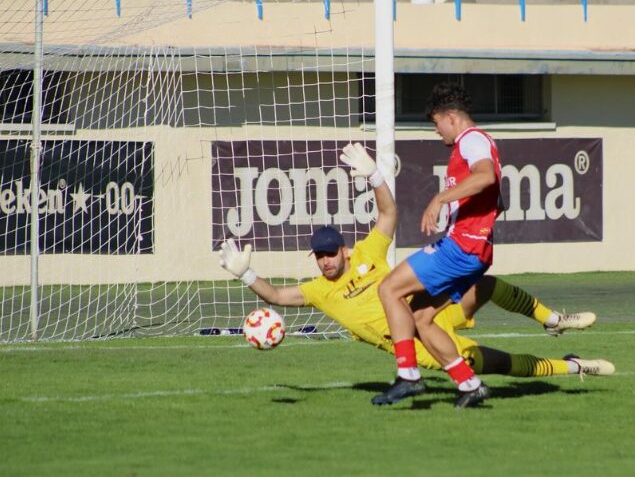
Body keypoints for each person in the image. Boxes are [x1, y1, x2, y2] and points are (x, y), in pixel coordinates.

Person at [218, 142, 611, 405]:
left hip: (431, 312)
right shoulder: (320, 290)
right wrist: (246, 273)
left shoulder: (367, 252)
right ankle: (574, 365)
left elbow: (389, 214)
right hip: (419, 346)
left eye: (329, 254)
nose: (324, 262)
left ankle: (552, 318)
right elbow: (276, 297)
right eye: (318, 257)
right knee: (496, 364)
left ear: (344, 249)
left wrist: (374, 177)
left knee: (485, 284)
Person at [374, 81, 593, 407]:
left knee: (389, 289)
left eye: (436, 124)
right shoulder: (478, 143)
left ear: (450, 117)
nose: (437, 132)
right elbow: (496, 196)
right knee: (420, 318)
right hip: (475, 250)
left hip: (461, 247)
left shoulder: (471, 140)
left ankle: (408, 375)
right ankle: (469, 384)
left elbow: (486, 176)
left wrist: (440, 198)